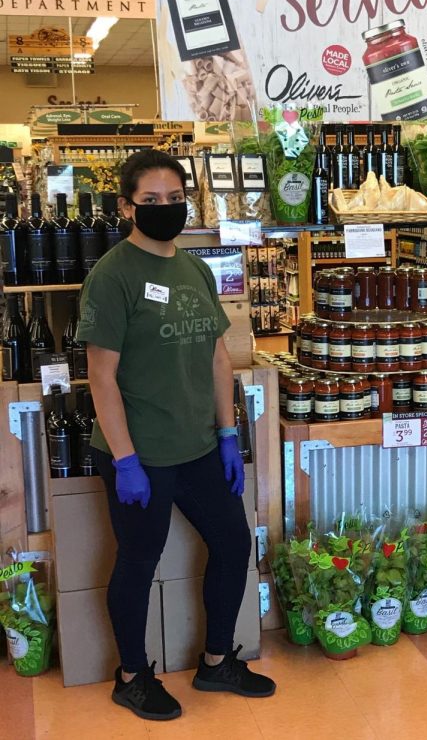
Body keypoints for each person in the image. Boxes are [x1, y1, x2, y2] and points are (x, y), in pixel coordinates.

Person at [77, 150, 275, 720]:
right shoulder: (111, 276)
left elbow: (217, 355)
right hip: (140, 452)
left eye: (174, 199)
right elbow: (101, 375)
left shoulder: (195, 269)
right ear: (126, 206)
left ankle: (216, 663)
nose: (165, 209)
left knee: (234, 544)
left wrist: (227, 432)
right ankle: (132, 675)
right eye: (151, 201)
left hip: (198, 448)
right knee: (140, 560)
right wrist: (126, 460)